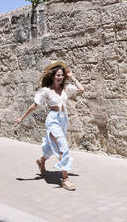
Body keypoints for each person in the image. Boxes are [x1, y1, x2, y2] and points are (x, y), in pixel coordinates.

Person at [14, 61, 84, 191]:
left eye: (62, 75)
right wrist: (22, 118)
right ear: (52, 76)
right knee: (63, 147)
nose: (60, 77)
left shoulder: (65, 89)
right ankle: (65, 179)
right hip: (53, 121)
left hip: (63, 120)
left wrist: (72, 77)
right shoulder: (46, 91)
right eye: (58, 75)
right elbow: (34, 105)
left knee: (52, 147)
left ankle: (41, 161)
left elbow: (81, 89)